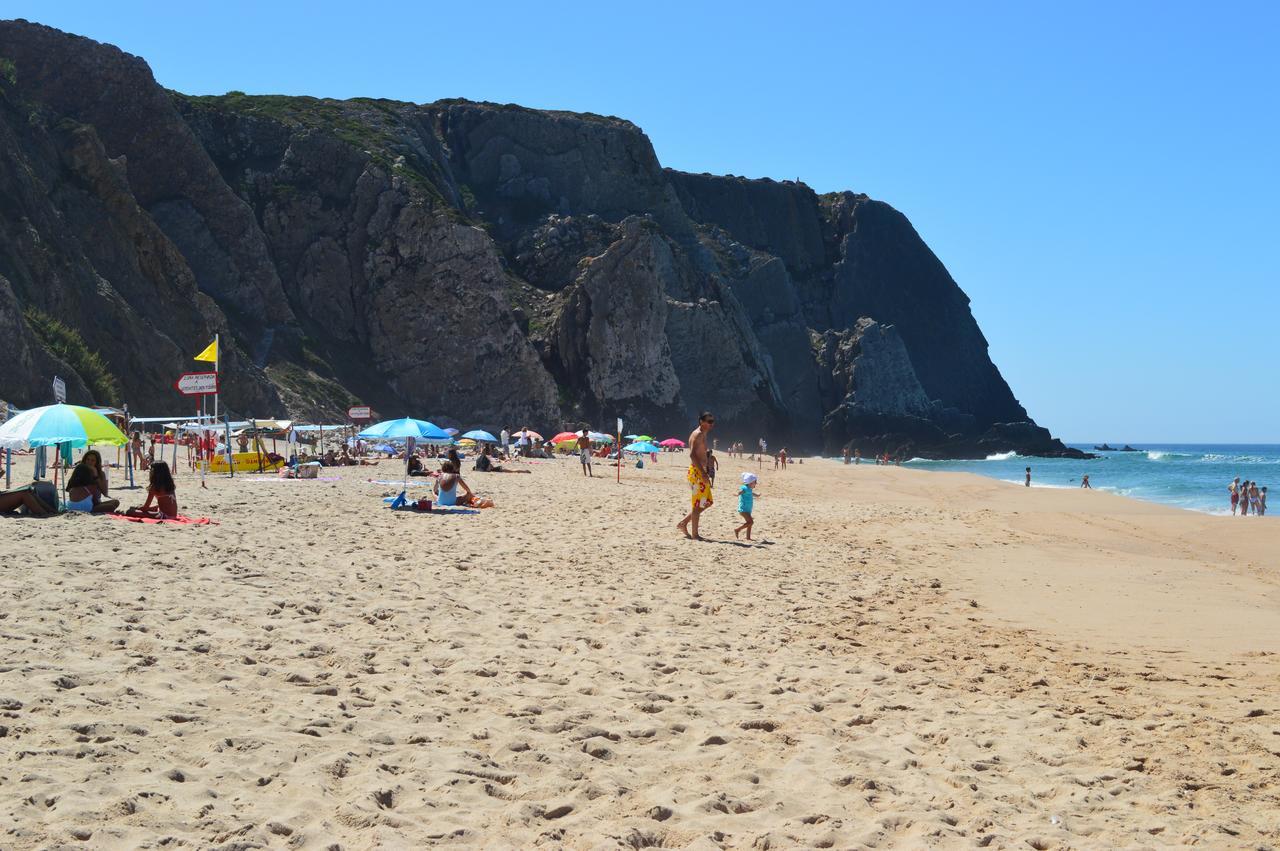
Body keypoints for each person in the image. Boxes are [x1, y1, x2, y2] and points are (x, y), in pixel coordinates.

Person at [678, 412, 716, 540]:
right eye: (709, 421)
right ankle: (695, 534)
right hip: (696, 473)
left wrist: (708, 464)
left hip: (700, 472)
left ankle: (684, 523)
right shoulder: (698, 434)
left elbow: (701, 454)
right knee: (698, 504)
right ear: (701, 421)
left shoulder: (703, 434)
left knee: (707, 502)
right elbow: (692, 455)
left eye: (712, 421)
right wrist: (703, 473)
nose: (712, 424)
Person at [735, 472, 758, 540]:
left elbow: (751, 493)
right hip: (743, 509)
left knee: (749, 523)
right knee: (751, 522)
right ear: (750, 483)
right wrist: (737, 493)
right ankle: (737, 530)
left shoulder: (749, 489)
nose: (756, 483)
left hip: (748, 509)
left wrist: (757, 495)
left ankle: (748, 537)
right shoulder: (745, 488)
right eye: (755, 482)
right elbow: (741, 491)